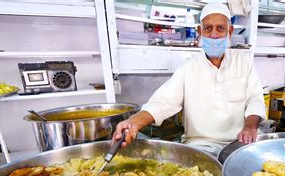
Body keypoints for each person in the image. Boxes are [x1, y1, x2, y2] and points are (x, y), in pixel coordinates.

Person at [113, 3, 266, 157]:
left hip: (240, 141)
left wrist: (250, 127)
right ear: (200, 31)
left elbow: (255, 99)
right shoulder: (188, 69)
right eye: (208, 28)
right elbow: (162, 103)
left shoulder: (244, 64)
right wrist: (132, 123)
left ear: (229, 31)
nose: (214, 35)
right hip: (200, 145)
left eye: (220, 28)